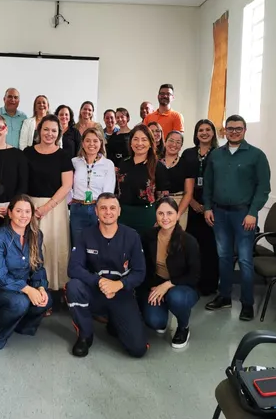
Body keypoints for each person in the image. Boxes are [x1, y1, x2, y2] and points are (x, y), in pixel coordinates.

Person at [203, 115, 271, 321]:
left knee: (244, 259)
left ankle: (247, 303)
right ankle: (224, 297)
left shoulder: (256, 155)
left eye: (238, 128)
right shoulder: (216, 155)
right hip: (219, 213)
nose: (234, 132)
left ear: (244, 130)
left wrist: (253, 212)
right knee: (223, 257)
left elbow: (263, 187)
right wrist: (207, 208)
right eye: (230, 128)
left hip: (244, 215)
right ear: (225, 131)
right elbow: (208, 184)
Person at [66, 193, 148, 358]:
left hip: (121, 294)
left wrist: (118, 285)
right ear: (96, 211)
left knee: (138, 349)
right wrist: (99, 281)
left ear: (119, 211)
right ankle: (85, 336)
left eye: (112, 208)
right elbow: (73, 268)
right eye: (103, 208)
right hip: (95, 292)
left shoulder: (132, 236)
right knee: (73, 287)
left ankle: (114, 322)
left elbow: (140, 272)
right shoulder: (85, 235)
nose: (108, 212)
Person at [0, 195, 52, 349]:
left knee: (46, 299)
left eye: (27, 211)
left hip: (22, 284)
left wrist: (40, 287)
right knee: (20, 302)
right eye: (19, 211)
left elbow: (38, 267)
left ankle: (22, 326)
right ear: (10, 213)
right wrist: (27, 289)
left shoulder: (36, 234)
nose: (23, 215)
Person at [139, 197, 201, 349]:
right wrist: (152, 286)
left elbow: (194, 276)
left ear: (177, 214)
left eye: (169, 213)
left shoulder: (189, 241)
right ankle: (163, 311)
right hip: (156, 284)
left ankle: (183, 326)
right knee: (155, 322)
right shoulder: (148, 236)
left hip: (183, 286)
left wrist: (167, 285)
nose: (165, 218)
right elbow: (143, 267)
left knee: (176, 297)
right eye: (160, 213)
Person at [23, 115, 75, 294]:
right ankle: (35, 287)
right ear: (39, 130)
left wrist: (47, 207)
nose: (49, 133)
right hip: (30, 207)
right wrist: (28, 207)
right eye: (46, 129)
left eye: (54, 130)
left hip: (55, 207)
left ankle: (55, 288)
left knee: (54, 246)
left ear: (59, 133)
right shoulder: (27, 153)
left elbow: (67, 185)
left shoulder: (63, 155)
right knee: (32, 247)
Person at [183, 119, 220, 296]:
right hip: (190, 205)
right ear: (196, 134)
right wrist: (191, 202)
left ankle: (208, 285)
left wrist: (208, 206)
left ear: (213, 133)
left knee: (209, 248)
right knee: (191, 247)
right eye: (200, 130)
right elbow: (181, 179)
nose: (204, 133)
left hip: (212, 208)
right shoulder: (188, 154)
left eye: (207, 130)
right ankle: (191, 282)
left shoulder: (220, 153)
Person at [115, 124, 168, 236]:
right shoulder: (124, 163)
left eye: (144, 140)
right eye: (135, 139)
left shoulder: (157, 166)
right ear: (130, 142)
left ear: (150, 143)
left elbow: (163, 196)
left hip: (147, 216)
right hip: (123, 215)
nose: (139, 143)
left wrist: (160, 217)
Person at [69, 126, 115, 254]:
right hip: (77, 209)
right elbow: (68, 185)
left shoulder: (107, 164)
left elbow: (108, 192)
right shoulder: (74, 162)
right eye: (88, 141)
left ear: (101, 143)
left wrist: (103, 210)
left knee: (98, 247)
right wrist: (70, 200)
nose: (91, 144)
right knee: (78, 246)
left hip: (97, 209)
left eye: (95, 141)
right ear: (82, 143)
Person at [158, 130, 195, 229]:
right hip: (158, 203)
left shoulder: (186, 164)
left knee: (177, 236)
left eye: (178, 142)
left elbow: (188, 193)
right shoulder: (155, 162)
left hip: (179, 203)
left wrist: (177, 214)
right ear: (165, 142)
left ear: (181, 146)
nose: (174, 144)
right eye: (171, 140)